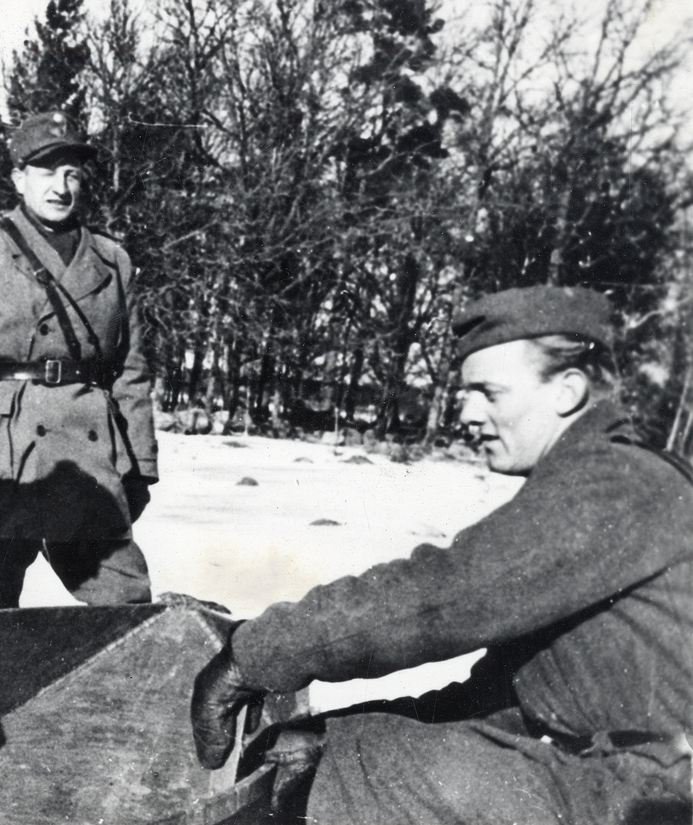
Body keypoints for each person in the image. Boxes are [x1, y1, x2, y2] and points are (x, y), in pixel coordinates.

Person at [191, 286, 693, 824]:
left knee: (364, 771)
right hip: (619, 778)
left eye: (489, 393)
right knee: (347, 756)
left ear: (566, 391)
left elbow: (441, 598)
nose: (467, 414)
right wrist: (332, 734)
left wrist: (257, 655)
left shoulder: (612, 486)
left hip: (652, 798)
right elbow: (501, 700)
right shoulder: (603, 482)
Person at [0, 111, 158, 612]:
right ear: (19, 178)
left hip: (85, 458)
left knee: (126, 604)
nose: (60, 186)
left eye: (72, 173)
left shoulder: (113, 261)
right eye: (46, 171)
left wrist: (139, 466)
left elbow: (131, 370)